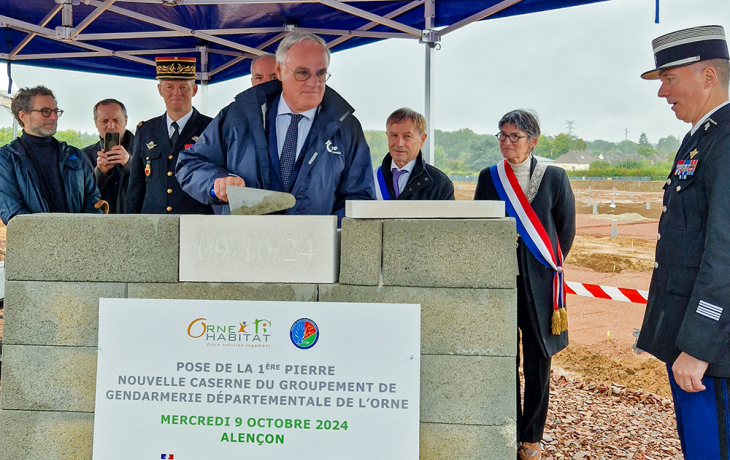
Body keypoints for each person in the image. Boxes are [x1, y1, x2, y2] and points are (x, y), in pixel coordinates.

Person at [636, 25, 730, 460]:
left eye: (670, 79)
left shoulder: (726, 141)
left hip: (712, 351)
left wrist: (697, 344)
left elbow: (725, 252)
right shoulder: (701, 137)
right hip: (695, 341)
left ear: (708, 77)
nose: (662, 93)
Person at [176, 31, 375, 221]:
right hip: (244, 247)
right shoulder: (238, 116)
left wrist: (326, 232)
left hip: (313, 250)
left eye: (321, 74)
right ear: (279, 71)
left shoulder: (346, 128)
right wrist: (215, 183)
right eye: (302, 73)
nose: (313, 82)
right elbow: (189, 164)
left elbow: (360, 199)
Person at [474, 109, 575, 460]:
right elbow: (481, 227)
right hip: (502, 283)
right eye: (501, 135)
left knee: (537, 363)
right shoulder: (489, 177)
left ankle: (531, 437)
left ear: (533, 141)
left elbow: (564, 231)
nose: (506, 142)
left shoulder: (555, 177)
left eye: (514, 136)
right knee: (504, 359)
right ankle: (508, 429)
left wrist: (542, 264)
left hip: (542, 287)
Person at [0, 86, 101, 225]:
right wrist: (52, 236)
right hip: (35, 244)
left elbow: (93, 199)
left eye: (55, 111)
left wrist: (81, 231)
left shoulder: (74, 155)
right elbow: (13, 214)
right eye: (45, 111)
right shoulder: (6, 159)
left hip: (79, 241)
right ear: (23, 116)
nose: (53, 117)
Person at [126, 57, 213, 214]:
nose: (176, 93)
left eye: (183, 87)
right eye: (170, 87)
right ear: (160, 90)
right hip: (154, 226)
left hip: (196, 222)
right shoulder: (145, 130)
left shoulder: (211, 128)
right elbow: (136, 187)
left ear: (194, 90)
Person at [374, 108, 454, 200]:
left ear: (422, 140)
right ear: (387, 136)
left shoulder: (440, 185)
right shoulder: (371, 180)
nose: (399, 143)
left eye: (407, 136)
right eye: (394, 135)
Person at [82, 99, 134, 214]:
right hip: (99, 226)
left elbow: (156, 187)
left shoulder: (145, 151)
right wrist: (99, 172)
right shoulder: (84, 156)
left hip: (138, 222)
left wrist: (130, 164)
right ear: (95, 122)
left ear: (126, 120)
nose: (111, 126)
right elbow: (80, 197)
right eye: (104, 121)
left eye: (116, 120)